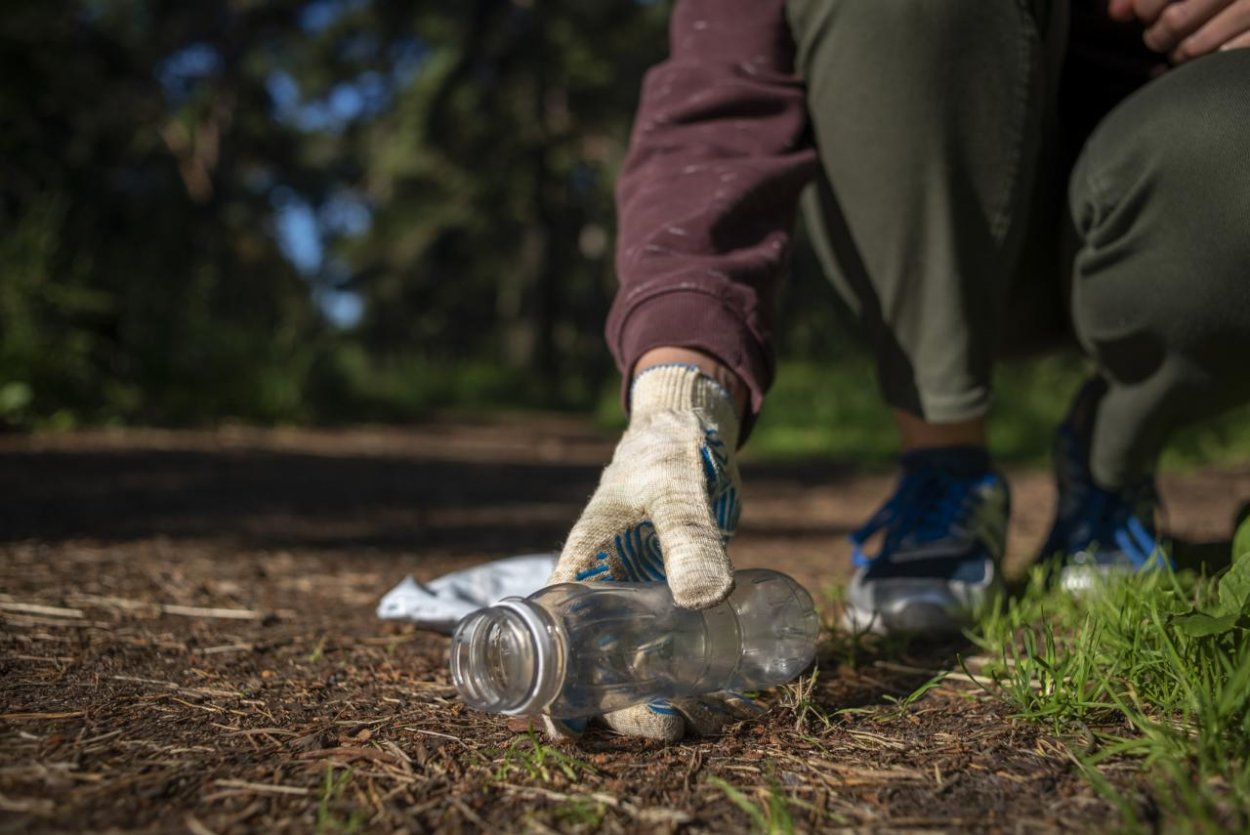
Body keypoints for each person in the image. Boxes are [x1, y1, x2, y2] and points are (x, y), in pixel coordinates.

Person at [543, 0, 1250, 741]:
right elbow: (716, 100)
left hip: (1171, 186)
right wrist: (678, 395)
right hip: (933, 209)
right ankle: (944, 465)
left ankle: (1112, 458)